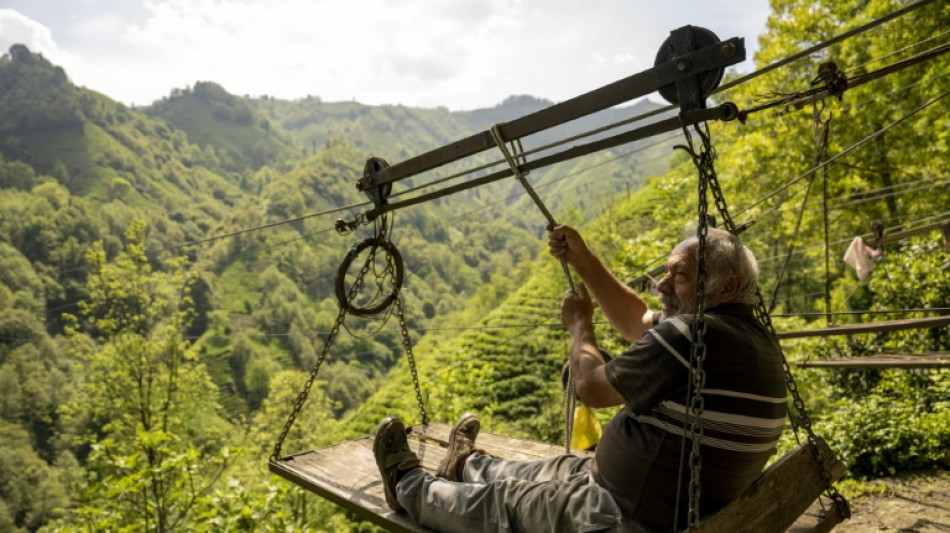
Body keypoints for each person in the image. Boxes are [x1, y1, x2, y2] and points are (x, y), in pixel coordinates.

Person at [373, 225, 788, 532]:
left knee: (502, 504)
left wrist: (579, 327)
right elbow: (636, 322)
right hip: (638, 497)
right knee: (553, 470)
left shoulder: (693, 333)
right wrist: (582, 259)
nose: (662, 284)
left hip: (618, 516)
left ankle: (405, 484)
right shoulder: (749, 340)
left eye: (679, 275)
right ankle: (465, 464)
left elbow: (590, 387)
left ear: (727, 286)